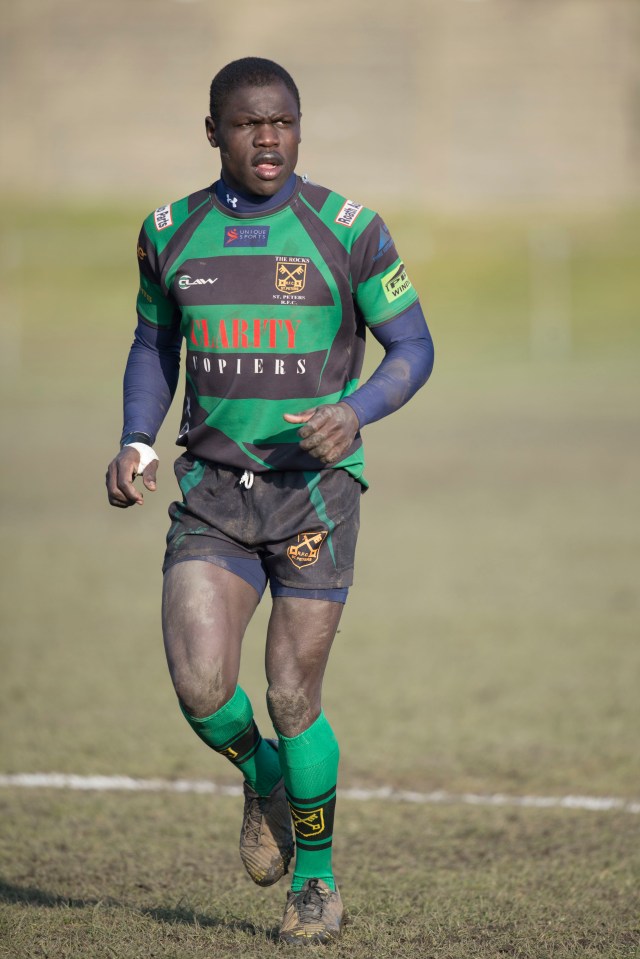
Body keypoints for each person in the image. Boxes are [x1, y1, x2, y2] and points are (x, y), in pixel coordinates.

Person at [106, 56, 434, 945]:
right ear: (213, 130)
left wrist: (355, 410)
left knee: (293, 695)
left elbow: (412, 346)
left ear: (300, 125)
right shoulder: (169, 231)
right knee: (201, 684)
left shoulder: (348, 230)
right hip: (212, 491)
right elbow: (152, 341)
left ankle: (316, 885)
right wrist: (138, 434)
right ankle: (264, 777)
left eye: (283, 121)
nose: (269, 138)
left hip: (315, 497)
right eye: (249, 123)